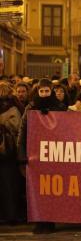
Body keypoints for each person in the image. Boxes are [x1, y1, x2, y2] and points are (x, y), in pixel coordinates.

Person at [17, 79, 66, 234]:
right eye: (41, 91)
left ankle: (50, 220)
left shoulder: (59, 107)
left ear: (51, 91)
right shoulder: (30, 108)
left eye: (47, 91)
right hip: (35, 156)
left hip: (54, 155)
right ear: (37, 92)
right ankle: (40, 221)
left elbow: (71, 125)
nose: (44, 94)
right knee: (37, 191)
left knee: (52, 190)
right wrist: (22, 155)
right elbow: (22, 132)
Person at [0, 82, 24, 223]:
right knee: (10, 186)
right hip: (9, 152)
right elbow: (17, 127)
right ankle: (11, 215)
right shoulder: (15, 108)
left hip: (7, 151)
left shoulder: (13, 108)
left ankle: (7, 215)